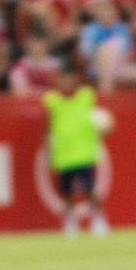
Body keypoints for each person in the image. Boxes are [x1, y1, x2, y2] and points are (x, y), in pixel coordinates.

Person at [42, 60, 111, 237]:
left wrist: (104, 129)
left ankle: (98, 220)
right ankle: (71, 222)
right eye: (63, 79)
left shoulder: (86, 97)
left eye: (69, 79)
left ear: (75, 80)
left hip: (84, 154)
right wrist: (49, 152)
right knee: (66, 193)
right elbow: (49, 130)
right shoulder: (53, 102)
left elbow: (103, 123)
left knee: (89, 189)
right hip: (64, 156)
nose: (66, 83)